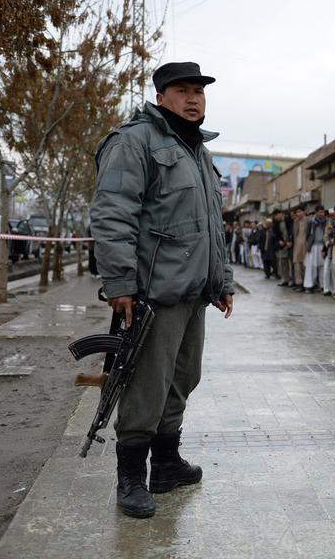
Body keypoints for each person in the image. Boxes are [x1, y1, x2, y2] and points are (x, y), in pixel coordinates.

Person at [90, 62, 234, 518]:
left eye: (200, 92)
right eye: (183, 91)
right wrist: (120, 283)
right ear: (161, 95)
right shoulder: (133, 141)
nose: (194, 99)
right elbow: (113, 214)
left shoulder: (198, 152)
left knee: (182, 379)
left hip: (194, 293)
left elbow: (214, 226)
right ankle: (130, 475)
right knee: (146, 386)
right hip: (153, 292)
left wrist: (222, 281)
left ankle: (166, 464)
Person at [303, 206, 328, 293]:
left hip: (323, 246)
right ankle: (309, 285)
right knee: (311, 267)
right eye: (320, 212)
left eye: (323, 212)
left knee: (323, 267)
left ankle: (322, 285)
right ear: (316, 212)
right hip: (313, 246)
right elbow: (307, 234)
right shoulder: (311, 221)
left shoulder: (326, 221)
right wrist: (309, 244)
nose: (322, 214)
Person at [273, 209, 292, 286]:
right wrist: (279, 241)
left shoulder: (288, 219)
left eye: (276, 216)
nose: (275, 218)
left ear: (280, 214)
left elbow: (292, 231)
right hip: (282, 246)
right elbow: (276, 235)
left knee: (291, 263)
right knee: (283, 263)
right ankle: (285, 279)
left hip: (290, 244)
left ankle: (292, 279)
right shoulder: (276, 223)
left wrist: (290, 241)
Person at [291, 207, 308, 290]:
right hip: (297, 245)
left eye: (300, 211)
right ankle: (299, 283)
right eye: (297, 212)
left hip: (305, 245)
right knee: (297, 265)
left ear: (304, 212)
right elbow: (294, 234)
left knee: (305, 265)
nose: (298, 214)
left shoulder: (308, 221)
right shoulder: (295, 222)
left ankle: (306, 283)